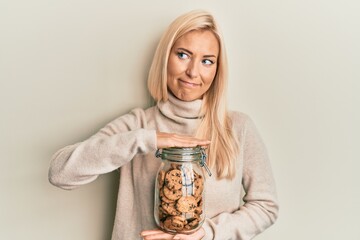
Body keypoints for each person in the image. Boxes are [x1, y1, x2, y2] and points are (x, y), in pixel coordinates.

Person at [48, 9, 279, 240]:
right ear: (165, 57)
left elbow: (266, 207)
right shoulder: (138, 124)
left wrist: (206, 234)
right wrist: (147, 139)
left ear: (217, 70)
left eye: (207, 61)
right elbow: (60, 173)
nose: (192, 72)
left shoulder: (238, 128)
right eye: (183, 55)